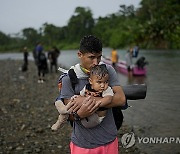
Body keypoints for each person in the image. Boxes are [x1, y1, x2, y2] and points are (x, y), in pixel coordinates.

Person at [54, 35, 126, 154]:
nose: (96, 62)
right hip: (83, 144)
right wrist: (79, 114)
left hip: (109, 140)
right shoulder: (68, 79)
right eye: (91, 57)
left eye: (99, 57)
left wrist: (84, 101)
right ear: (79, 55)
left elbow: (121, 99)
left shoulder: (107, 71)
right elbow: (69, 114)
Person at [51, 64, 114, 130]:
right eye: (99, 82)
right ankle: (61, 118)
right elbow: (81, 95)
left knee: (71, 109)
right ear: (90, 81)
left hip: (96, 117)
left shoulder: (107, 89)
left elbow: (108, 99)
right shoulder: (87, 87)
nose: (103, 85)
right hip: (86, 110)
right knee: (66, 105)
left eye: (106, 82)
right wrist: (76, 98)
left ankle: (64, 111)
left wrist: (94, 103)